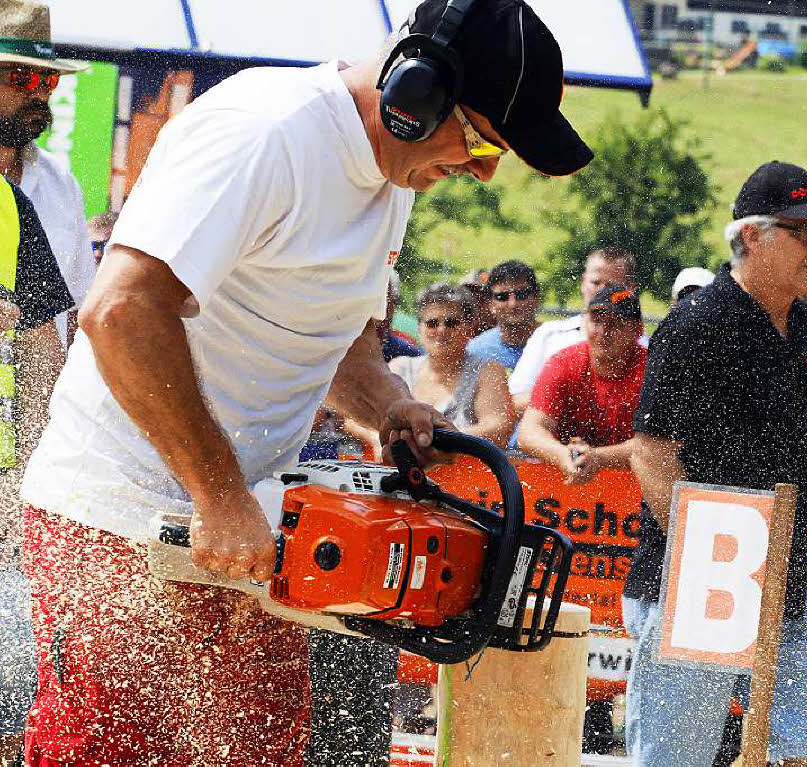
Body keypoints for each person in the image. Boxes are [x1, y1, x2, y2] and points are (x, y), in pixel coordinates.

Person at [17, 0, 593, 762]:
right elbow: (121, 311)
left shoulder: (393, 180)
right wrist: (216, 491)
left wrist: (388, 404)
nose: (484, 170)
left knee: (262, 749)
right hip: (124, 516)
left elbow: (341, 344)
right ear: (414, 92)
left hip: (252, 531)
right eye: (483, 139)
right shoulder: (266, 135)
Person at [623, 161, 807, 766]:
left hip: (785, 581)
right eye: (803, 232)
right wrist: (708, 559)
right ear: (751, 236)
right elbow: (652, 451)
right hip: (700, 581)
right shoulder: (698, 323)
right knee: (677, 760)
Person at [0, 176, 73, 767]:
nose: (40, 91)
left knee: (11, 692)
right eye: (22, 75)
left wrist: (27, 474)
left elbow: (39, 346)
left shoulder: (9, 204)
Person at [0, 2, 95, 347]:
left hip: (30, 396)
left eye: (48, 80)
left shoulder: (61, 184)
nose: (38, 93)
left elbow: (78, 313)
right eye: (21, 77)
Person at [518, 284, 646, 484]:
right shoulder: (564, 362)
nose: (604, 332)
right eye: (597, 321)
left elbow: (655, 448)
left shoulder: (651, 372)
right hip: (567, 481)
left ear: (637, 331)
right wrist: (561, 454)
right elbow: (528, 432)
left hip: (634, 489)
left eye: (615, 324)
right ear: (585, 323)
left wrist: (596, 457)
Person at [508, 245, 640, 415]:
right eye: (595, 282)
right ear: (583, 282)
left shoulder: (646, 348)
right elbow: (514, 401)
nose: (601, 291)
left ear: (631, 289)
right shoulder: (549, 335)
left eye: (611, 285)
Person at [388, 283, 514, 451]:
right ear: (420, 327)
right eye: (432, 323)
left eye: (451, 323)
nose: (441, 330)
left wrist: (433, 440)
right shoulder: (400, 368)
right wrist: (376, 438)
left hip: (463, 472)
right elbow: (356, 421)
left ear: (470, 328)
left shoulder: (487, 371)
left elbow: (498, 430)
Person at [465, 259, 540, 372]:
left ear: (537, 298)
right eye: (502, 297)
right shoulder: (475, 352)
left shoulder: (557, 344)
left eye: (521, 295)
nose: (512, 304)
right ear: (490, 304)